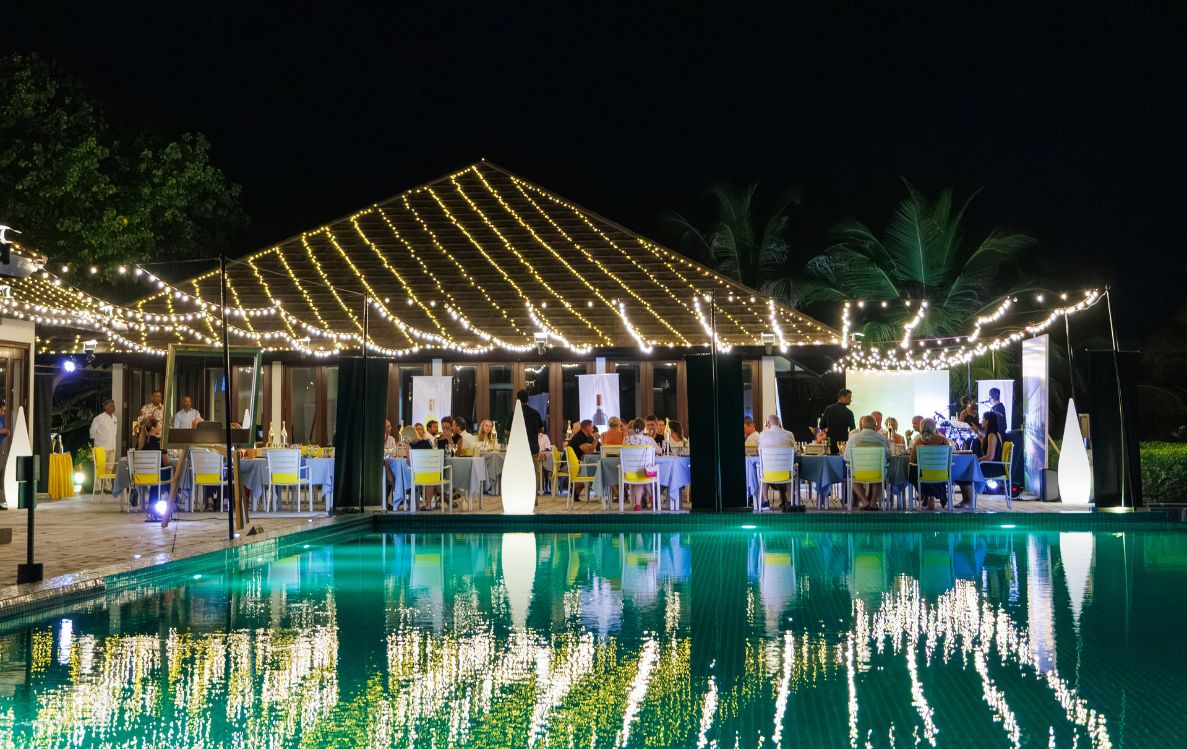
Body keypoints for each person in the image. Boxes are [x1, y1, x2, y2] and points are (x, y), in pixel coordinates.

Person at [958, 411, 1003, 508]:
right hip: (993, 465)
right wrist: (977, 433)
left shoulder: (992, 436)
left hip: (994, 468)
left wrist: (976, 460)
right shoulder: (993, 434)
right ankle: (967, 500)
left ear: (987, 421)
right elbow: (984, 446)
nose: (981, 421)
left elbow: (990, 457)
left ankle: (969, 500)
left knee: (965, 471)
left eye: (983, 419)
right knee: (964, 471)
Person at [845, 415, 889, 510]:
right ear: (875, 425)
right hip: (877, 472)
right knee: (879, 475)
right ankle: (873, 503)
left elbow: (846, 458)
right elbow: (887, 456)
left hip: (858, 473)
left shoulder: (853, 438)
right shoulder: (881, 438)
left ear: (862, 424)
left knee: (852, 476)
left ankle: (865, 501)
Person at [909, 418, 952, 510]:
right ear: (934, 427)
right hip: (941, 475)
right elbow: (949, 458)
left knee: (913, 471)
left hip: (924, 475)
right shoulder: (943, 439)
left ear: (921, 427)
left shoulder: (919, 441)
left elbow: (912, 460)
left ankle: (924, 494)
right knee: (934, 471)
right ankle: (930, 497)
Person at [756, 415, 795, 510]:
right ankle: (790, 501)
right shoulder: (789, 434)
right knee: (790, 469)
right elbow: (795, 450)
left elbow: (758, 451)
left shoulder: (762, 435)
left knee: (763, 472)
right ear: (779, 423)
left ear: (768, 423)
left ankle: (765, 502)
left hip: (768, 474)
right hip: (786, 474)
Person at [624, 418, 660, 511]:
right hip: (646, 472)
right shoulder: (649, 439)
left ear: (633, 428)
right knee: (643, 472)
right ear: (644, 428)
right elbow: (660, 451)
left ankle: (639, 504)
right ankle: (650, 498)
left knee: (639, 472)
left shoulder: (626, 439)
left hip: (629, 473)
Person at [566, 420, 599, 502]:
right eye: (591, 426)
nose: (593, 428)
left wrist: (595, 439)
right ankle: (576, 486)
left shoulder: (588, 436)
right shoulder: (579, 437)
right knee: (592, 470)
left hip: (579, 463)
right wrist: (596, 438)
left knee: (593, 469)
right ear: (586, 427)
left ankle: (576, 488)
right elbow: (589, 450)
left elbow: (594, 448)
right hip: (570, 465)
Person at [821, 389, 856, 455]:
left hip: (830, 442)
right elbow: (853, 430)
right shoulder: (849, 413)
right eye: (849, 398)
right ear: (843, 398)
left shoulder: (828, 409)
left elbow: (821, 426)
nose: (851, 400)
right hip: (843, 444)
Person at [89, 399, 119, 468]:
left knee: (109, 469)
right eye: (112, 406)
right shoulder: (98, 418)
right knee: (100, 468)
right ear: (106, 407)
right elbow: (92, 433)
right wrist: (98, 445)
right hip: (101, 449)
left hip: (112, 448)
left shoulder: (115, 418)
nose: (114, 407)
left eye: (114, 406)